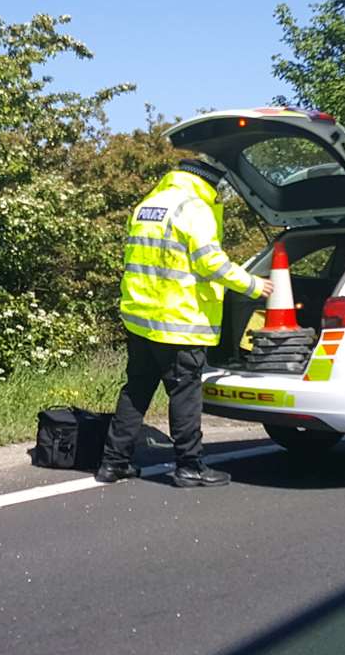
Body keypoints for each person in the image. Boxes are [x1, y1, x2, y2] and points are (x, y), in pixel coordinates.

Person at [97, 157, 272, 488]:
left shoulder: (149, 204)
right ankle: (189, 467)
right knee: (184, 395)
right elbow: (211, 263)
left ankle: (113, 464)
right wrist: (252, 285)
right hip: (180, 321)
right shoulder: (194, 208)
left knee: (136, 391)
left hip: (141, 319)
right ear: (207, 182)